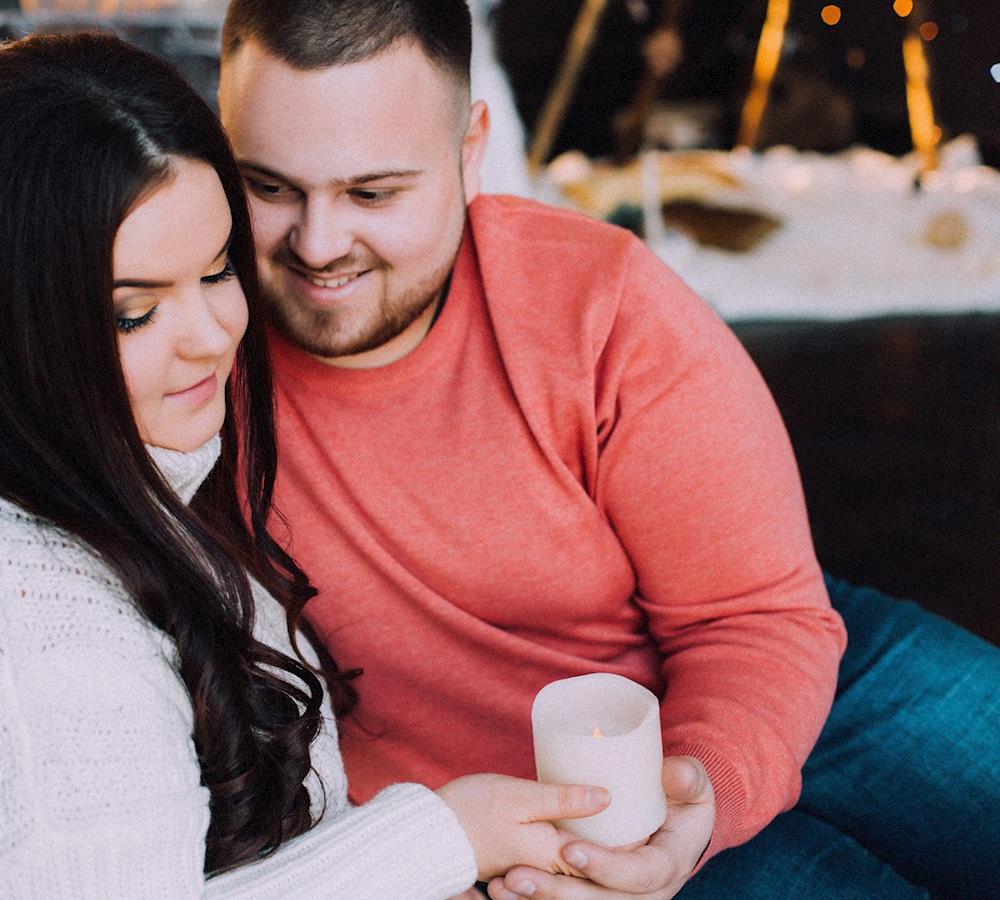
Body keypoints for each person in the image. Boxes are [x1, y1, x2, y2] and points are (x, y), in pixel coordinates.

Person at [216, 1, 1000, 898]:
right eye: (269, 187)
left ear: (471, 153)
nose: (317, 246)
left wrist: (703, 793)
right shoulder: (185, 349)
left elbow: (752, 613)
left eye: (373, 193)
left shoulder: (599, 302)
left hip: (749, 643)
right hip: (531, 813)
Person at [0, 30, 614, 898]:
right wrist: (445, 836)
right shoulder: (46, 637)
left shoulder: (155, 478)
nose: (213, 337)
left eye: (218, 271)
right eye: (134, 313)